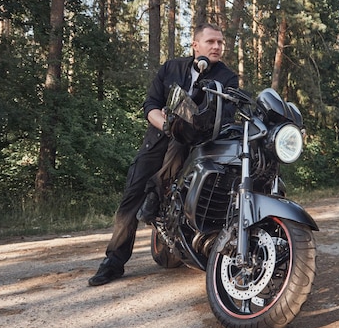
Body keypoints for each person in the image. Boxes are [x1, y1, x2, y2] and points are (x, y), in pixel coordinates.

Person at [88, 23, 239, 286]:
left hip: (193, 147)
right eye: (211, 41)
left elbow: (225, 116)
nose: (217, 47)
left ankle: (158, 196)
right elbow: (150, 105)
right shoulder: (171, 68)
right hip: (156, 142)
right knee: (130, 199)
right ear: (195, 45)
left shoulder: (227, 78)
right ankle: (113, 262)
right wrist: (168, 125)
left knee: (185, 157)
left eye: (220, 42)